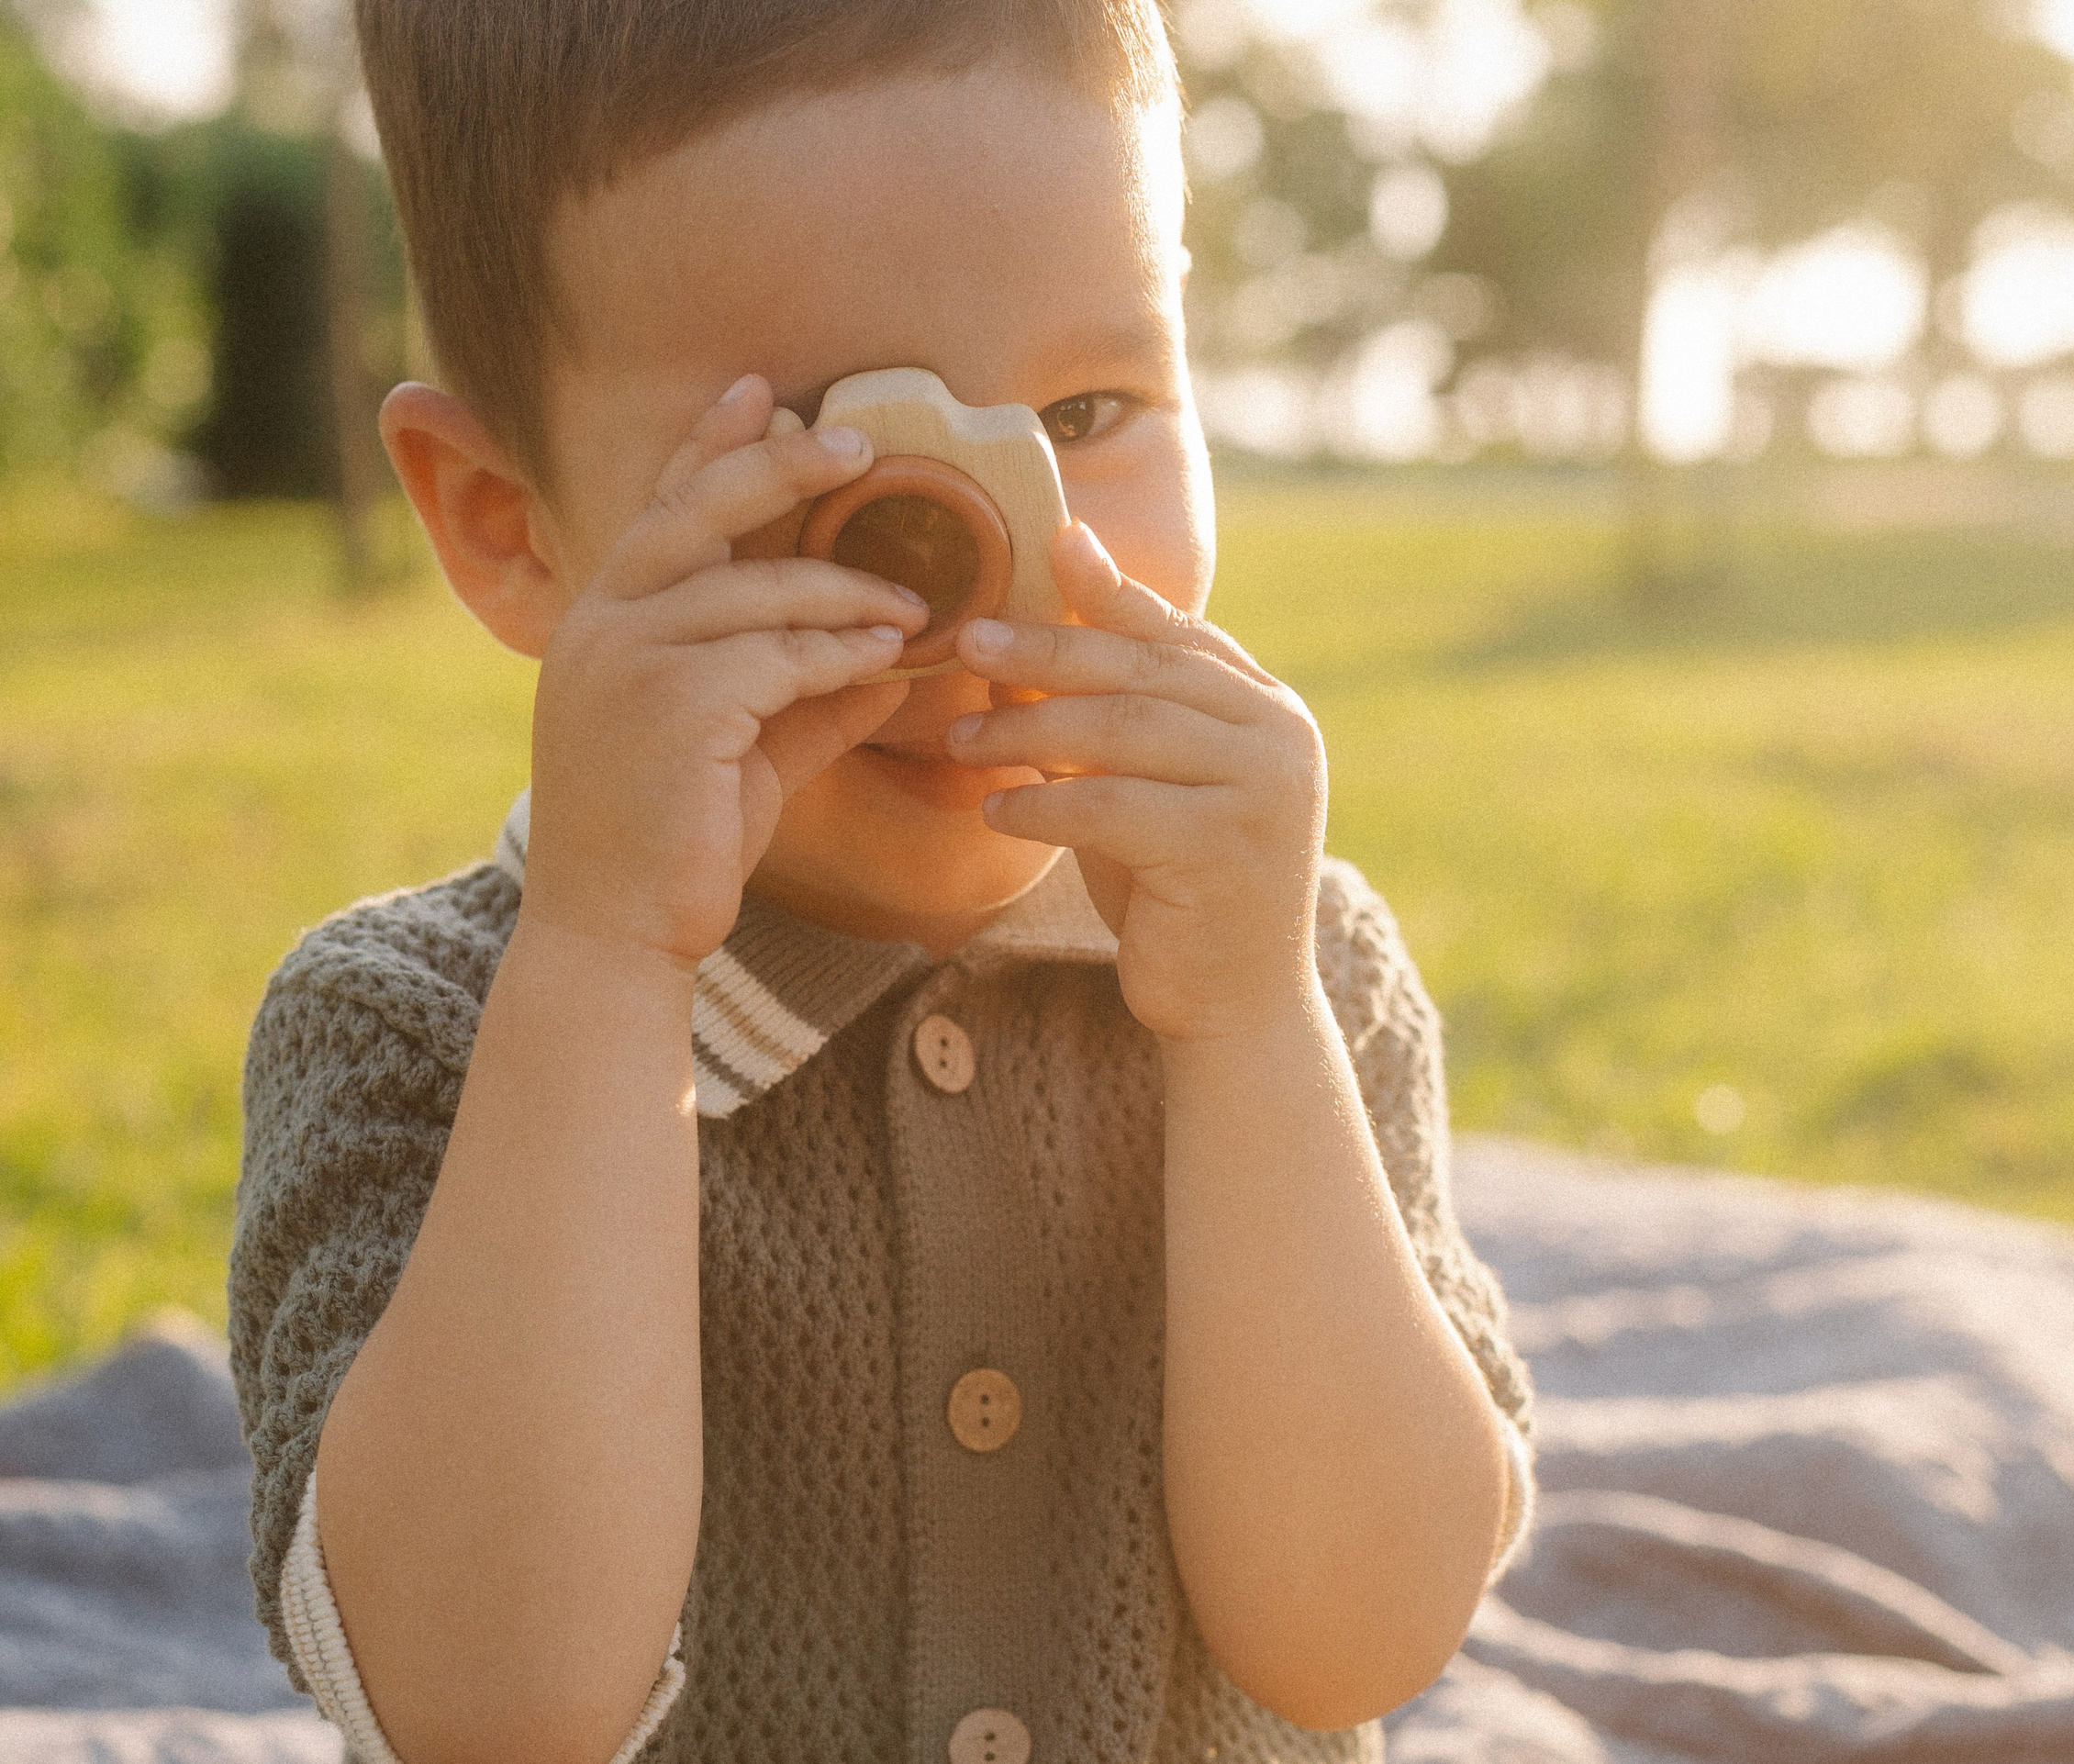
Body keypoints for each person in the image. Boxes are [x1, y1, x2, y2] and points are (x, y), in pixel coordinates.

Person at [229, 4, 1535, 1760]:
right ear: (504, 518)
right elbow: (484, 1710)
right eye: (834, 464)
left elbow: (1360, 1633)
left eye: (1091, 408)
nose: (983, 572)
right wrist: (609, 957)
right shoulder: (406, 1033)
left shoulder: (1293, 970)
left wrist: (1248, 1028)